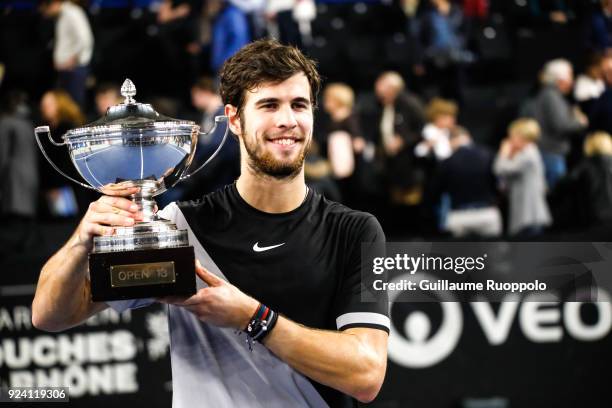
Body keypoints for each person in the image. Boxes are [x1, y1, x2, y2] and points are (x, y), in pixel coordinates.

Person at [32, 39, 389, 407]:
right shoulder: (179, 227)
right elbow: (49, 315)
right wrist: (81, 241)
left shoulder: (355, 231)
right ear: (234, 119)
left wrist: (253, 317)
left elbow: (365, 375)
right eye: (269, 105)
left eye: (299, 105)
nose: (288, 120)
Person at [523, 59, 588, 189]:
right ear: (560, 79)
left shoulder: (548, 94)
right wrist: (580, 121)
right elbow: (560, 125)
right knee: (558, 195)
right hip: (552, 154)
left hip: (550, 153)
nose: (572, 81)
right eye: (570, 76)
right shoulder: (551, 96)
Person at [431, 126, 501, 238]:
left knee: (462, 255)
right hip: (487, 213)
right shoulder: (489, 155)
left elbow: (435, 192)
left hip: (459, 216)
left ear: (451, 141)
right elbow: (499, 184)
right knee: (491, 254)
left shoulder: (447, 162)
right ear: (468, 137)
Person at [493, 118, 552, 236]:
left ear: (522, 136)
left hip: (530, 216)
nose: (509, 140)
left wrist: (503, 153)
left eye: (512, 136)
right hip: (526, 216)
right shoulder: (525, 154)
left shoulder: (528, 154)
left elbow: (499, 169)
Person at [39, 0, 94, 109]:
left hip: (74, 69)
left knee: (74, 107)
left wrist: (72, 60)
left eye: (45, 11)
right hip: (67, 70)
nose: (45, 15)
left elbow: (85, 39)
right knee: (65, 107)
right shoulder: (62, 15)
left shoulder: (72, 12)